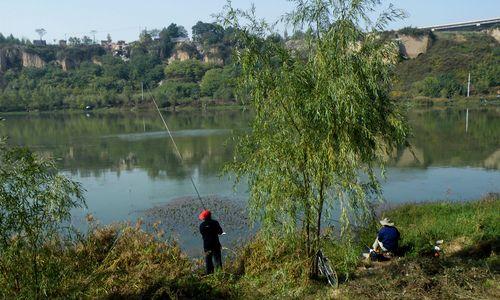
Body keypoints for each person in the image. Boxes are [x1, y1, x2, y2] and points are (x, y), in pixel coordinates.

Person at [199, 209, 223, 274]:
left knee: (208, 260)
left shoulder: (202, 225)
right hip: (216, 244)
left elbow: (202, 233)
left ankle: (209, 273)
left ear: (204, 218)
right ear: (210, 216)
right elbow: (220, 232)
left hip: (207, 245)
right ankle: (219, 273)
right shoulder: (215, 223)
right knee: (217, 259)